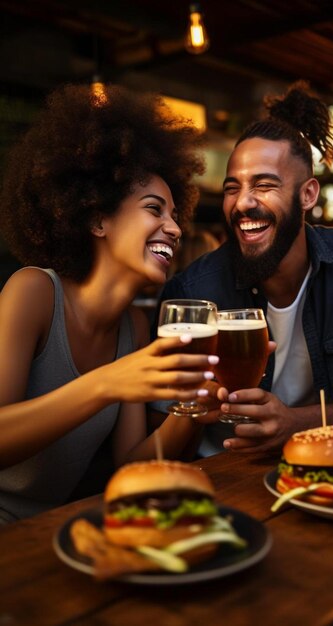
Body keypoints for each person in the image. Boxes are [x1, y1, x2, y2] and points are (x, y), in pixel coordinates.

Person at [153, 81, 333, 456]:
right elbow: (165, 423)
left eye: (264, 185)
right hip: (224, 472)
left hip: (329, 466)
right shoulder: (192, 289)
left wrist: (299, 424)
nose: (243, 202)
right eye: (232, 188)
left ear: (308, 194)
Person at [0, 83, 218, 523]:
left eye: (175, 216)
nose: (174, 229)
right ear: (98, 217)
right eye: (155, 209)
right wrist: (107, 383)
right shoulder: (33, 293)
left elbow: (130, 468)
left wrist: (192, 410)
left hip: (53, 530)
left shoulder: (134, 327)